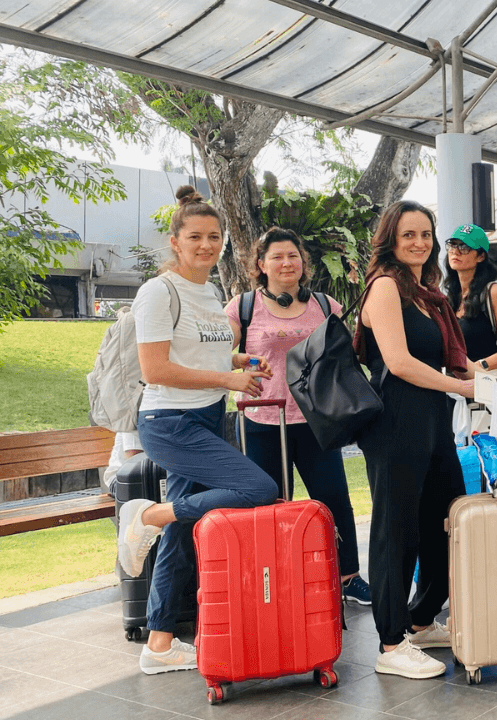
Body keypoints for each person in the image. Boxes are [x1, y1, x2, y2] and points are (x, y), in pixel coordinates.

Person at [356, 201, 497, 679]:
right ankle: (391, 643)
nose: (419, 242)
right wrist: (462, 388)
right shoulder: (385, 287)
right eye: (408, 234)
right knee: (396, 532)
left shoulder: (427, 295)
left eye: (426, 234)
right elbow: (399, 362)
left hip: (433, 422)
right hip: (395, 423)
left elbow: (460, 364)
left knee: (445, 524)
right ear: (391, 239)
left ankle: (420, 619)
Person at [114, 186, 278, 675]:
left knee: (182, 533)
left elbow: (202, 351)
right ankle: (148, 514)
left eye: (214, 237)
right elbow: (156, 369)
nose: (206, 245)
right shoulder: (157, 291)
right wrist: (229, 380)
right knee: (258, 488)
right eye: (195, 237)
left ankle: (159, 643)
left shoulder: (208, 291)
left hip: (206, 416)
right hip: (170, 422)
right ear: (175, 242)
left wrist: (239, 360)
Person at [224, 226, 371, 605]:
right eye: (277, 256)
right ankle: (274, 581)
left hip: (317, 420)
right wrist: (242, 368)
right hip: (261, 420)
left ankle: (348, 576)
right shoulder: (243, 307)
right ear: (261, 265)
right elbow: (217, 353)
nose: (286, 263)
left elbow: (348, 351)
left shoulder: (324, 305)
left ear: (303, 263)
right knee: (269, 505)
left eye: (293, 256)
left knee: (334, 498)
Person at [443, 224, 497, 439]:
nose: (456, 251)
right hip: (454, 390)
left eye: (465, 247)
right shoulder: (448, 297)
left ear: (481, 256)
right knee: (458, 454)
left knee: (487, 452)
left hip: (487, 389)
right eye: (452, 245)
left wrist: (477, 368)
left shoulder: (494, 292)